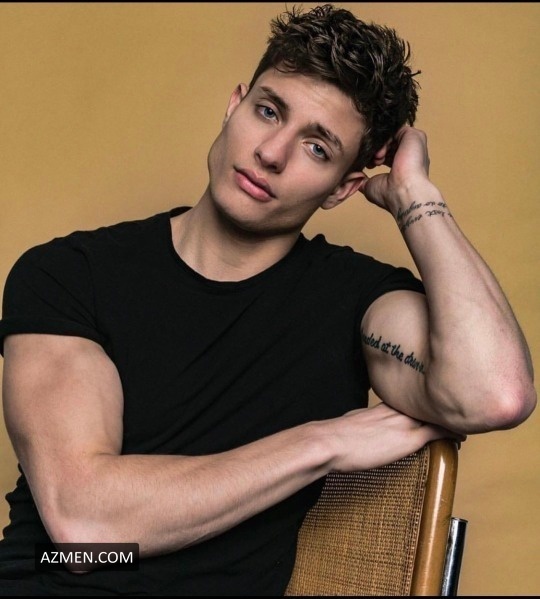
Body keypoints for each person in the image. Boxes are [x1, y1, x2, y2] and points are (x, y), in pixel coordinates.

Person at [0, 3, 535, 596]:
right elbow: (84, 530)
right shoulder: (70, 274)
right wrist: (322, 443)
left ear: (343, 189)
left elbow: (496, 394)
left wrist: (415, 195)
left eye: (318, 148)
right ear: (234, 105)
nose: (272, 153)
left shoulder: (353, 301)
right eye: (268, 111)